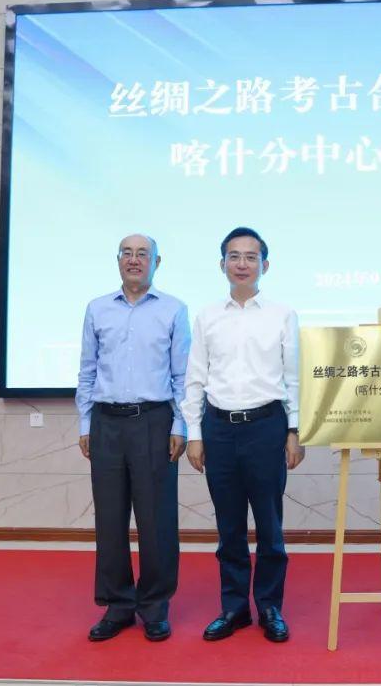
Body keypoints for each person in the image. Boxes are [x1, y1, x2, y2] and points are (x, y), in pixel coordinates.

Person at [183, 226, 304, 643]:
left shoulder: (282, 314)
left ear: (264, 265)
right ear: (222, 264)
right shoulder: (207, 316)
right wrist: (194, 433)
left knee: (270, 525)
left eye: (251, 257)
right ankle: (233, 608)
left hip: (266, 427)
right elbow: (195, 378)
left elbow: (294, 378)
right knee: (229, 526)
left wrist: (294, 429)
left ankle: (270, 606)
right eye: (234, 256)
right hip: (218, 429)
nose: (242, 264)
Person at [76, 233, 190, 642]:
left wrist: (180, 426)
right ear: (118, 260)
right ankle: (118, 605)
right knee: (109, 518)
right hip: (106, 422)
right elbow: (87, 371)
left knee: (157, 519)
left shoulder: (174, 310)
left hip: (154, 421)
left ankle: (155, 606)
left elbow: (182, 376)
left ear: (157, 262)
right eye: (127, 253)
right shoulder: (97, 309)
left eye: (143, 254)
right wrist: (85, 424)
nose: (135, 260)